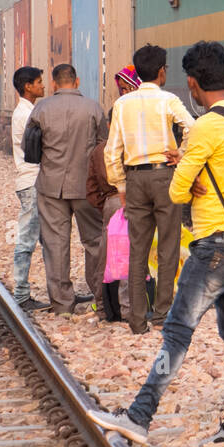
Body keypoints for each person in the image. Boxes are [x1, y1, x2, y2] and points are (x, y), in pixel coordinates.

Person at [88, 40, 224, 447]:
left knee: (178, 331)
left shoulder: (205, 126)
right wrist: (189, 161)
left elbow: (180, 191)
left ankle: (139, 416)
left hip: (213, 242)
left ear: (194, 83)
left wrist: (184, 166)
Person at [103, 45, 194, 334]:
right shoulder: (168, 100)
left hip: (135, 179)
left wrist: (120, 185)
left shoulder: (122, 105)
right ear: (161, 71)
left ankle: (137, 320)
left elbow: (111, 150)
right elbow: (192, 127)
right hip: (164, 176)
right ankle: (163, 314)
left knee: (137, 248)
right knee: (168, 245)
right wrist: (180, 153)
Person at [27, 64, 108, 317]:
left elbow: (29, 147)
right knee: (94, 241)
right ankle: (100, 298)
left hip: (51, 186)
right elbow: (103, 146)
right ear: (77, 80)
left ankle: (62, 303)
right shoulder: (93, 107)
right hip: (86, 187)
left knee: (55, 243)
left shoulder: (41, 108)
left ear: (53, 83)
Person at [86, 67, 141, 323]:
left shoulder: (100, 149)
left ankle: (103, 305)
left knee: (107, 257)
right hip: (137, 200)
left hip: (111, 203)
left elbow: (91, 189)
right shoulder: (138, 146)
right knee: (135, 254)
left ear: (109, 124)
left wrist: (106, 205)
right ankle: (131, 307)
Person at [10, 66, 48, 310]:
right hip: (32, 182)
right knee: (27, 238)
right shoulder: (26, 115)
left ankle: (58, 291)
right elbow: (39, 149)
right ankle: (21, 293)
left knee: (46, 238)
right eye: (39, 82)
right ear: (28, 87)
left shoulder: (29, 111)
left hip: (35, 181)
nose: (43, 86)